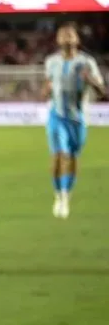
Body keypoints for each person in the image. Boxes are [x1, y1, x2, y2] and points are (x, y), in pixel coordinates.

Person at [42, 21, 106, 218]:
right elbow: (45, 90)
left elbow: (102, 91)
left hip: (77, 118)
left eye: (71, 34)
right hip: (56, 115)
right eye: (63, 34)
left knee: (73, 157)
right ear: (58, 40)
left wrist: (91, 80)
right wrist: (47, 90)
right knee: (59, 155)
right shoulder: (51, 62)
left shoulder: (87, 62)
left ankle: (66, 194)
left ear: (77, 40)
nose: (67, 37)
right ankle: (58, 195)